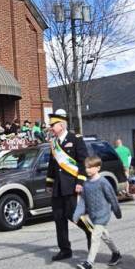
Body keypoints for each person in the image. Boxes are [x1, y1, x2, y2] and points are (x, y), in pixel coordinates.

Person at [46, 109, 92, 261]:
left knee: (73, 215)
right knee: (59, 218)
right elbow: (52, 165)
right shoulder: (53, 143)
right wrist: (49, 183)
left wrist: (80, 181)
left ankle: (90, 231)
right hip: (58, 187)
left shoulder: (75, 138)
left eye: (53, 125)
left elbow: (83, 161)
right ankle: (65, 249)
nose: (51, 128)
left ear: (61, 125)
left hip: (72, 185)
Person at [72, 156, 123, 269]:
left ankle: (89, 264)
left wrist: (117, 211)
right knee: (105, 236)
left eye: (90, 167)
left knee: (95, 236)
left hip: (103, 214)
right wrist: (76, 215)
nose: (87, 170)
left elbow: (112, 198)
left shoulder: (103, 182)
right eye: (86, 167)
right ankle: (116, 253)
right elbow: (83, 202)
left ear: (98, 168)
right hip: (93, 215)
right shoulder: (86, 184)